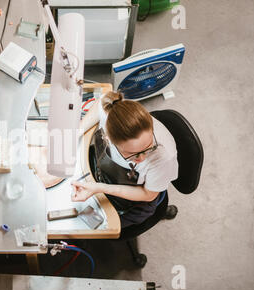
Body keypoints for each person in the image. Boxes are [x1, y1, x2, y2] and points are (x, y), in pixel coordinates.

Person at [71, 91, 178, 228]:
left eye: (148, 147)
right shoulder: (113, 110)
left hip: (140, 196)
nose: (142, 158)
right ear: (109, 138)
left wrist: (99, 188)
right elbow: (101, 102)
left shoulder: (163, 158)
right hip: (105, 171)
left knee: (93, 228)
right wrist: (74, 134)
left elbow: (148, 194)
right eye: (133, 154)